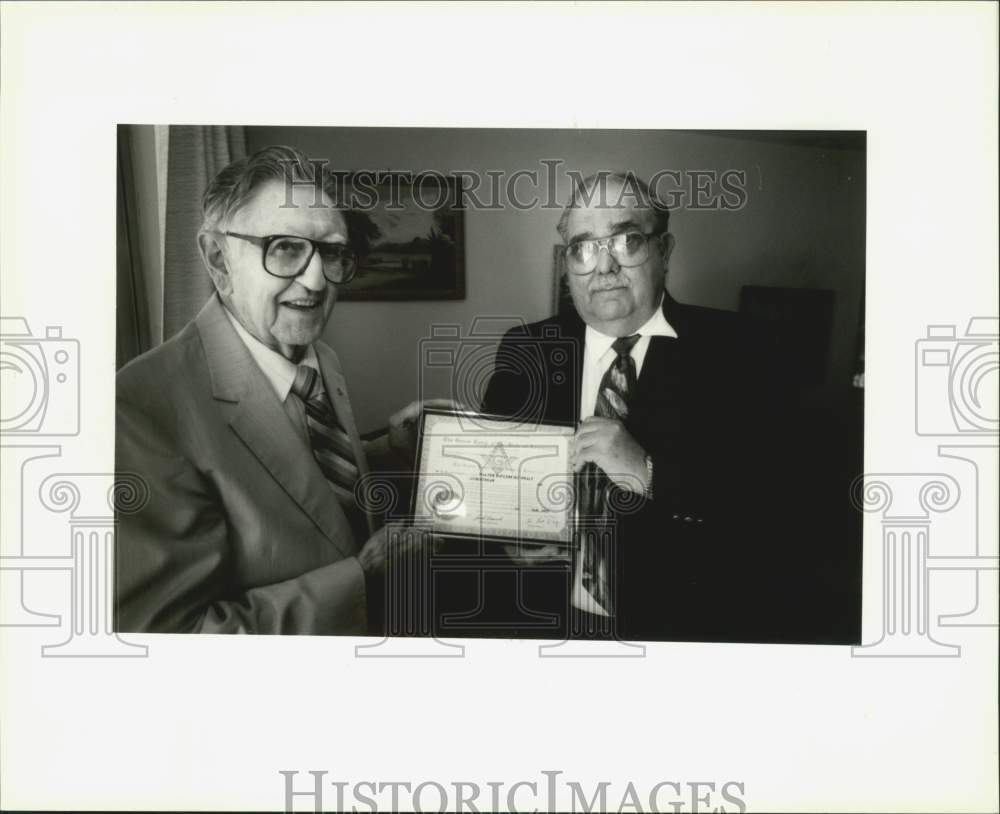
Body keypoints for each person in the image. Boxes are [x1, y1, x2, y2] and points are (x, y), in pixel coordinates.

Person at [115, 145, 426, 635]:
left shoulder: (320, 357)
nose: (317, 280)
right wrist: (362, 576)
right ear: (218, 258)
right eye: (284, 247)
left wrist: (387, 449)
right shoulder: (137, 408)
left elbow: (294, 470)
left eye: (331, 252)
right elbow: (171, 638)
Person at [475, 171, 792, 642]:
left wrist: (647, 473)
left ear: (664, 250)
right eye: (583, 248)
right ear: (568, 267)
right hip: (540, 619)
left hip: (680, 628)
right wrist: (503, 531)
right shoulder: (526, 349)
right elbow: (491, 488)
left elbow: (780, 511)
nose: (603, 267)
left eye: (627, 241)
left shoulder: (745, 350)